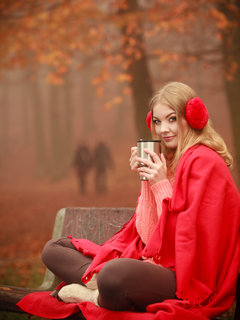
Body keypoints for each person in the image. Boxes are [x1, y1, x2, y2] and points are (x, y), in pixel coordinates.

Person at [18, 82, 239, 320]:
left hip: (186, 276)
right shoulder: (168, 160)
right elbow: (147, 235)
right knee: (55, 249)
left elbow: (185, 244)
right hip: (150, 264)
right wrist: (147, 183)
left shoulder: (206, 162)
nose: (164, 129)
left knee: (114, 275)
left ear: (193, 117)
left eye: (172, 119)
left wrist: (160, 184)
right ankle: (99, 286)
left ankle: (93, 294)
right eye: (157, 121)